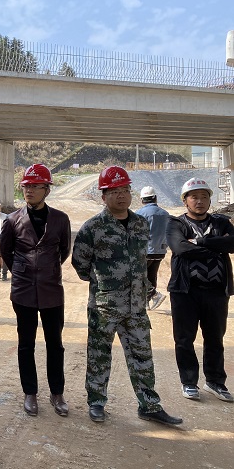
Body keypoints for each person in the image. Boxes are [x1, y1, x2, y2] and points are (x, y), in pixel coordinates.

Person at [71, 165, 183, 426]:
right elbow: (80, 265)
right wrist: (106, 284)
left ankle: (149, 406)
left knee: (142, 356)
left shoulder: (140, 224)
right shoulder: (93, 228)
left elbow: (141, 261)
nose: (121, 195)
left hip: (136, 306)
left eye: (125, 190)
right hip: (105, 306)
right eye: (114, 191)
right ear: (103, 196)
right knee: (99, 355)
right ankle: (96, 402)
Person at [0, 164, 71, 417]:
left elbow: (64, 250)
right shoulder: (12, 220)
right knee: (25, 344)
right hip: (23, 292)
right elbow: (6, 251)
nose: (29, 190)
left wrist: (47, 270)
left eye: (35, 186)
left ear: (46, 190)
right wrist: (23, 272)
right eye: (26, 186)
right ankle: (30, 392)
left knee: (55, 344)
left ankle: (57, 393)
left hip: (52, 291)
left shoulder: (60, 219)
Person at [166, 178, 234, 402]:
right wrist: (217, 246)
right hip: (185, 292)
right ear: (185, 201)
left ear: (209, 200)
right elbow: (180, 248)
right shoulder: (176, 223)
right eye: (194, 197)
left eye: (204, 196)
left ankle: (215, 381)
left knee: (215, 338)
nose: (199, 201)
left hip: (216, 292)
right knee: (184, 339)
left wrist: (200, 242)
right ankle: (189, 382)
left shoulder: (221, 222)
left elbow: (232, 243)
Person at [135, 186, 170, 310]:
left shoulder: (139, 214)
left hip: (145, 251)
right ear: (155, 198)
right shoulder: (165, 214)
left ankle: (154, 294)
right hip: (160, 251)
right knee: (151, 275)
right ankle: (146, 303)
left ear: (142, 200)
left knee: (138, 276)